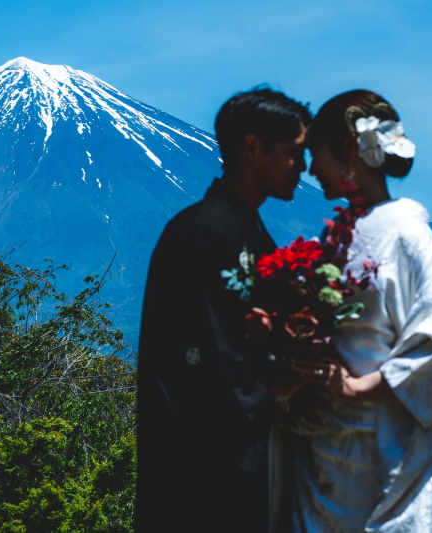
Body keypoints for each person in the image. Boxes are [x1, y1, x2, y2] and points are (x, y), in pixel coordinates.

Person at [291, 90, 432, 532]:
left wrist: (359, 388)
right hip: (324, 445)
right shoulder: (337, 236)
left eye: (317, 154)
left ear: (351, 151)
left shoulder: (407, 234)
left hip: (383, 446)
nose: (311, 169)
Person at [137, 87, 310, 532]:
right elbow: (203, 358)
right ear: (253, 148)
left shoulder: (250, 233)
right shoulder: (201, 232)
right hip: (207, 468)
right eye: (295, 153)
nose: (303, 167)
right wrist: (282, 381)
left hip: (247, 454)